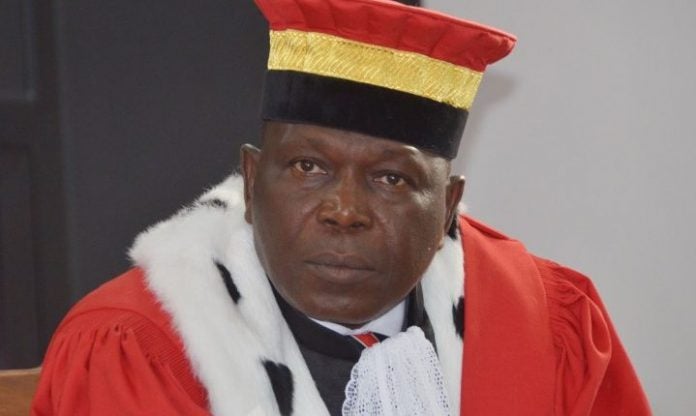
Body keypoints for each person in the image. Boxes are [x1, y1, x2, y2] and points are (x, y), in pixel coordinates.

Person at [31, 0, 652, 414]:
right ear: (252, 181)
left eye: (391, 178)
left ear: (448, 209)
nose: (345, 211)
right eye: (309, 167)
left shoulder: (546, 325)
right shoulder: (144, 346)